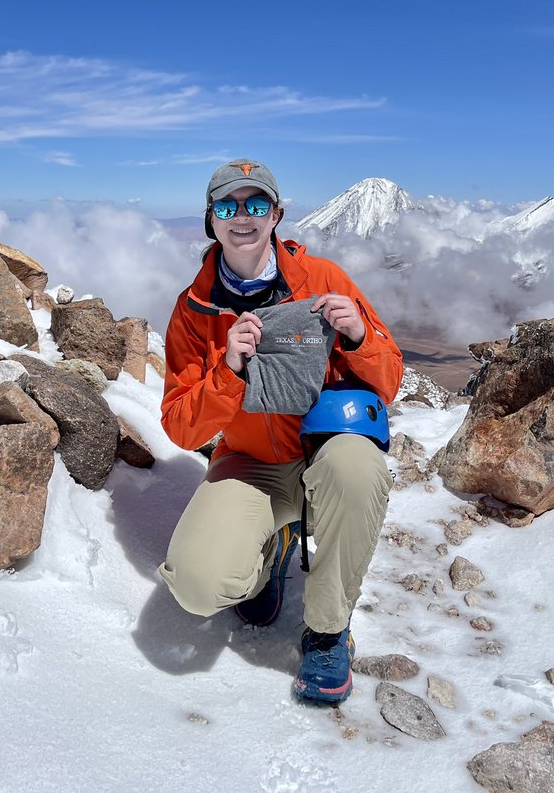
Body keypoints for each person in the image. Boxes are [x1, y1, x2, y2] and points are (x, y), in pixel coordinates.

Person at [158, 158, 402, 703]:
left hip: (324, 452)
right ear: (210, 221)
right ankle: (270, 551)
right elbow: (179, 426)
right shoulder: (194, 310)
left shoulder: (325, 280)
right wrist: (229, 374)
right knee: (198, 586)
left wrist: (360, 337)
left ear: (277, 215)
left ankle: (328, 629)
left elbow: (390, 380)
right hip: (249, 464)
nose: (241, 217)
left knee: (357, 470)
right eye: (227, 206)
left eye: (256, 204)